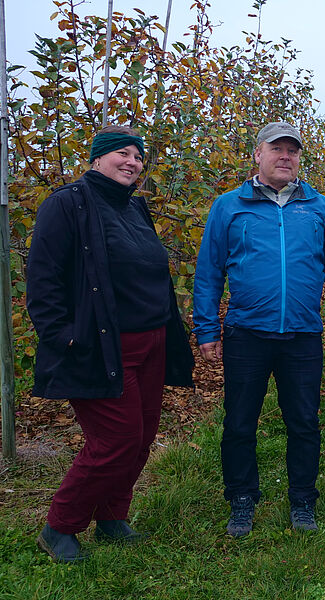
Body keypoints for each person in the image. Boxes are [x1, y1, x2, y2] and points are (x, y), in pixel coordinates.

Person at [27, 125, 195, 563]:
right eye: (122, 153)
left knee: (141, 437)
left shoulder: (135, 209)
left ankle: (112, 517)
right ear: (97, 158)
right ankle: (59, 526)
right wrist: (64, 337)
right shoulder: (67, 205)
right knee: (116, 439)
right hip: (101, 346)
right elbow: (43, 284)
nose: (132, 162)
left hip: (152, 342)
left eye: (138, 157)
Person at [193, 122, 325, 537]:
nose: (285, 156)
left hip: (302, 334)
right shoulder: (229, 207)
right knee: (239, 422)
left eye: (293, 150)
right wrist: (207, 328)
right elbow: (209, 271)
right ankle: (242, 499)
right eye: (277, 149)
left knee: (303, 421)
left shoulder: (320, 208)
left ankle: (303, 499)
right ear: (257, 154)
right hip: (246, 333)